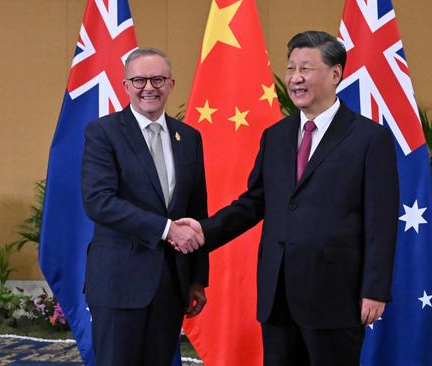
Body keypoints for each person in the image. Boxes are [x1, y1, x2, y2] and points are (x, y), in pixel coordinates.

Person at [174, 31, 399, 365]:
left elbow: (380, 221)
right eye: (291, 68)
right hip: (277, 295)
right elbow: (254, 202)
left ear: (335, 74)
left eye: (305, 69)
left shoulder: (369, 138)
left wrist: (375, 289)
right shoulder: (276, 136)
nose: (295, 78)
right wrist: (205, 231)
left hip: (336, 296)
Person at [80, 47, 209, 366]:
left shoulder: (189, 137)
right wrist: (167, 230)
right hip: (118, 284)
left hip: (170, 284)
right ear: (125, 85)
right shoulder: (104, 133)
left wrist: (197, 278)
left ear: (171, 84)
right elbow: (99, 202)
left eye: (157, 79)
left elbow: (196, 210)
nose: (148, 87)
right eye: (139, 79)